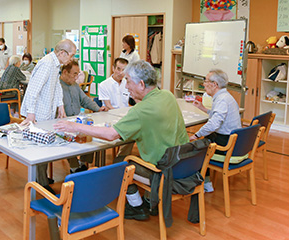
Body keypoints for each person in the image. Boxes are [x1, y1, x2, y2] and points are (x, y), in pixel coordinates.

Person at [54, 60, 189, 220]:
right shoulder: (168, 95)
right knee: (126, 156)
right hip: (181, 164)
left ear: (141, 84)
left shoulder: (140, 110)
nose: (126, 86)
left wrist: (75, 126)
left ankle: (137, 207)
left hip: (161, 171)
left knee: (120, 165)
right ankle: (148, 200)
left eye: (128, 81)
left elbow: (111, 135)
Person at [20, 39, 77, 193]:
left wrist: (60, 105)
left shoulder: (55, 64)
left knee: (44, 147)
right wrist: (31, 114)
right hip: (37, 113)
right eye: (71, 55)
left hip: (46, 111)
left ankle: (42, 179)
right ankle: (41, 184)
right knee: (40, 150)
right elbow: (33, 90)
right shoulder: (46, 64)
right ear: (62, 53)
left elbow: (56, 86)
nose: (72, 59)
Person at [189, 68, 242, 192]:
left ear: (215, 85)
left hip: (226, 142)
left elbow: (214, 124)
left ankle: (205, 183)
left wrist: (196, 135)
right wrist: (203, 108)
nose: (204, 84)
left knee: (198, 147)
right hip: (232, 138)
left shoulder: (222, 99)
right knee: (204, 140)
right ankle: (203, 179)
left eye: (206, 81)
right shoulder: (224, 96)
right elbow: (218, 116)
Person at [59, 60, 107, 173]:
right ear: (65, 72)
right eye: (75, 74)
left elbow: (85, 100)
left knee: (91, 132)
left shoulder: (75, 86)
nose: (77, 77)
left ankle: (83, 163)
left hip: (77, 121)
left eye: (78, 73)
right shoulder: (57, 87)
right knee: (67, 138)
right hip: (63, 124)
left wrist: (98, 109)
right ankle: (75, 167)